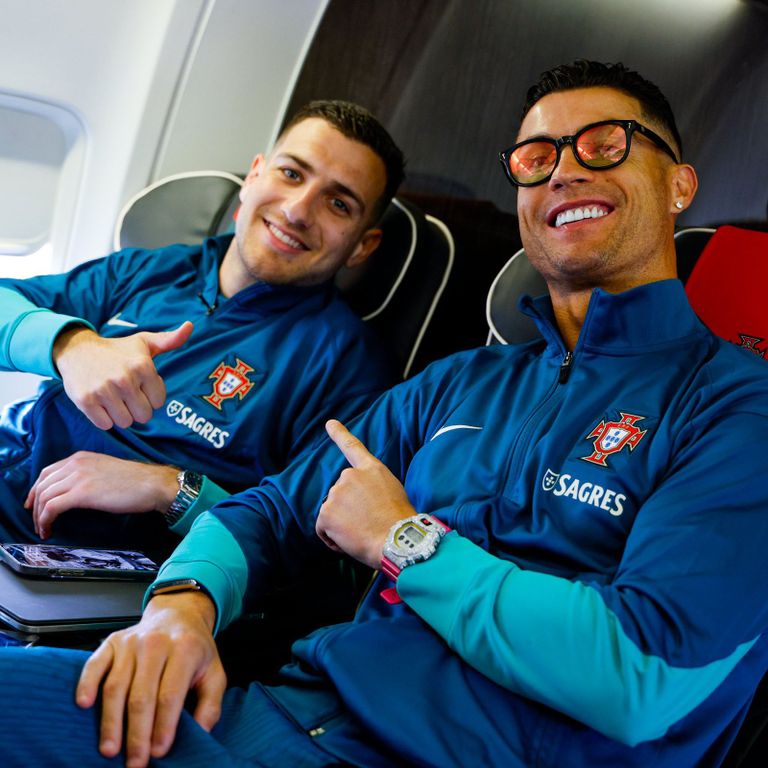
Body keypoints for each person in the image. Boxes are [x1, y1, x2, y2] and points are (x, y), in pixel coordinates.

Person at [1, 59, 767, 768]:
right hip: (279, 717)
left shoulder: (735, 408)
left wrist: (404, 540)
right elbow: (272, 510)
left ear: (678, 185)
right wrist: (181, 607)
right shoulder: (461, 382)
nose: (565, 170)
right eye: (537, 158)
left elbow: (640, 675)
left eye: (603, 146)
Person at [0, 99, 403, 559]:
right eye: (291, 173)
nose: (297, 210)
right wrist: (69, 345)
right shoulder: (154, 270)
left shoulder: (344, 368)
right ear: (253, 177)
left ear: (362, 246)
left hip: (79, 557)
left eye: (338, 203)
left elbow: (307, 550)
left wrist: (171, 489)